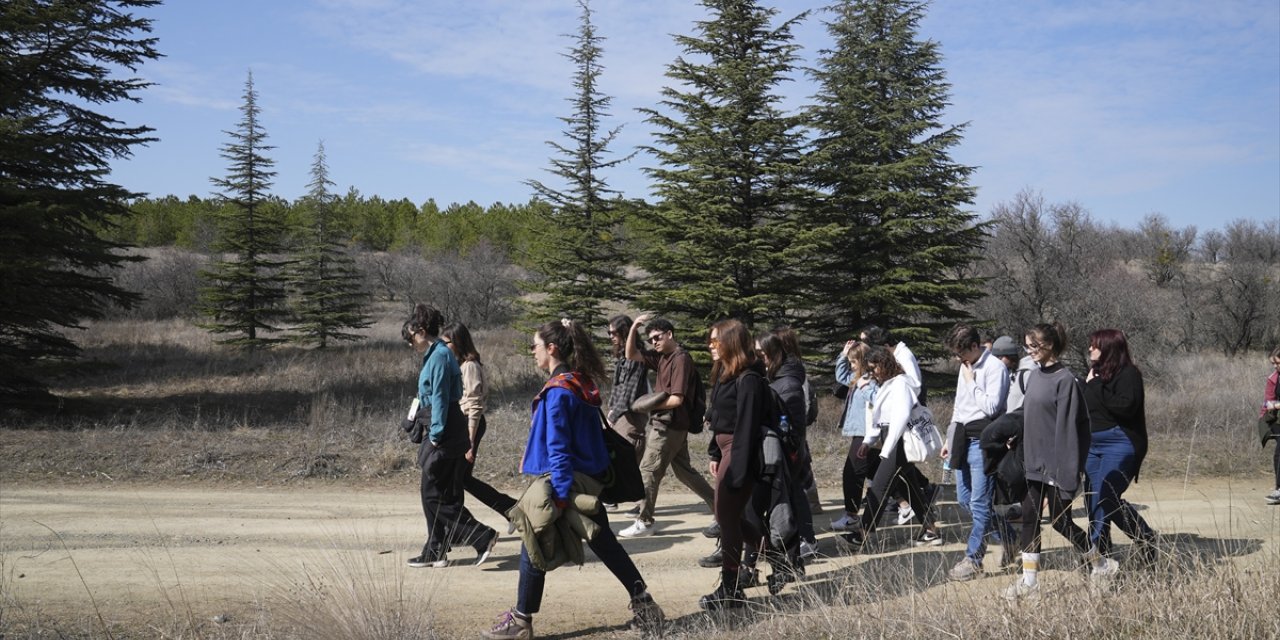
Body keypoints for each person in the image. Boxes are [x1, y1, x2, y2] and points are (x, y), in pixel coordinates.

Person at [482, 319, 664, 639]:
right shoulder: (579, 380)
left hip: (567, 481)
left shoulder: (558, 392)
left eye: (535, 346)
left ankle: (522, 622)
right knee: (604, 541)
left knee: (534, 535)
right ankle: (645, 604)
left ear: (551, 349)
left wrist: (561, 493)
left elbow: (559, 448)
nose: (533, 352)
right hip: (589, 479)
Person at [1002, 322, 1093, 601]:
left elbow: (1069, 428)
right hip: (1034, 461)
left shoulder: (1065, 380)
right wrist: (1017, 436)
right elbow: (1031, 415)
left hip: (1056, 464)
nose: (1029, 351)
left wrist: (1066, 469)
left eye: (1034, 346)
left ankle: (1099, 563)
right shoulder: (1034, 376)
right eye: (1027, 346)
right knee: (1029, 515)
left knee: (1060, 521)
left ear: (1049, 345)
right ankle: (1030, 582)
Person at [402, 305, 498, 569]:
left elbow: (442, 399)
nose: (411, 344)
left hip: (444, 431)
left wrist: (434, 436)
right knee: (434, 492)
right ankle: (436, 550)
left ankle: (482, 536)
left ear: (422, 331)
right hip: (444, 429)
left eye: (411, 338)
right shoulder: (436, 354)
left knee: (434, 495)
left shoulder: (440, 356)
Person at [619, 315, 716, 538]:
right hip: (670, 425)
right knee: (686, 474)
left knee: (647, 471)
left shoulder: (680, 359)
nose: (654, 342)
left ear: (669, 334)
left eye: (658, 337)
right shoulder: (662, 357)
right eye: (651, 339)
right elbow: (630, 354)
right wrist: (634, 327)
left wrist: (649, 404)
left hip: (668, 425)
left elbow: (677, 399)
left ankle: (644, 521)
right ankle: (721, 508)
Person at [699, 319, 768, 610]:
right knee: (727, 517)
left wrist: (737, 469)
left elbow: (747, 427)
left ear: (732, 342)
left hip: (740, 452)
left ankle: (731, 590)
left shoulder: (749, 378)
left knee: (727, 520)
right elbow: (720, 419)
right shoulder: (726, 373)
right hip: (727, 450)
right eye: (710, 341)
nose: (711, 346)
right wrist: (716, 452)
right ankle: (779, 554)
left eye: (716, 341)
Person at [840, 346, 937, 548]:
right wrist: (868, 441)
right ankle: (931, 531)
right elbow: (880, 418)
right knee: (909, 485)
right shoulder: (887, 383)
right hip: (891, 441)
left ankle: (863, 534)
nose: (872, 372)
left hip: (898, 442)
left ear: (885, 365)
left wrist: (886, 449)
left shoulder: (900, 384)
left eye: (875, 368)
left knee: (879, 488)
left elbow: (899, 418)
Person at [941, 324, 1013, 582]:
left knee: (980, 504)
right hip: (962, 438)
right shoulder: (965, 366)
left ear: (975, 346)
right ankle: (1011, 537)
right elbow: (959, 406)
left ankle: (973, 559)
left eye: (962, 354)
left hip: (984, 442)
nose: (960, 360)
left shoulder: (995, 368)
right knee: (964, 500)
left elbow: (993, 407)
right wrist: (950, 437)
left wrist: (972, 383)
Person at [1083, 329, 1158, 565]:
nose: (1090, 349)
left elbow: (1125, 407)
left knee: (1107, 496)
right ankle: (1101, 557)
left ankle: (1145, 538)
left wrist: (1094, 386)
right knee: (1092, 499)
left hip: (1120, 442)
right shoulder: (1094, 374)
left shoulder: (1129, 374)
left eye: (1094, 345)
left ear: (1108, 348)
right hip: (1092, 445)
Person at [442, 322, 517, 521]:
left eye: (446, 343)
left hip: (470, 423)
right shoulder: (462, 365)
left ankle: (463, 529)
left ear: (456, 342)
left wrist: (470, 441)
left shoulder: (469, 367)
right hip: (465, 423)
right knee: (462, 479)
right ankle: (511, 509)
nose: (443, 347)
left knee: (456, 480)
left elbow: (474, 404)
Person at [831, 340, 878, 532]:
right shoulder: (855, 377)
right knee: (874, 472)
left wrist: (864, 386)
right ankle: (907, 503)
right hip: (860, 433)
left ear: (864, 361)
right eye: (850, 362)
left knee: (852, 474)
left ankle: (851, 516)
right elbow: (841, 375)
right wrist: (843, 355)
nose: (851, 366)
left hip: (865, 433)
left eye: (854, 361)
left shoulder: (870, 380)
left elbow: (877, 399)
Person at [604, 314, 651, 465]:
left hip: (630, 418)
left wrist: (612, 416)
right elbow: (620, 389)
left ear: (624, 331)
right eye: (609, 333)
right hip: (621, 416)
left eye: (614, 332)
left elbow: (629, 393)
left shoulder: (635, 359)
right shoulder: (624, 358)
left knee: (626, 468)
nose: (611, 336)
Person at [991, 335, 1034, 412]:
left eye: (1000, 358)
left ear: (1010, 356)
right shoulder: (1005, 372)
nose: (997, 361)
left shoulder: (1026, 373)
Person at [1263, 346, 1280, 505]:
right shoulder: (1275, 378)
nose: (1275, 366)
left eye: (1277, 363)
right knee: (1278, 455)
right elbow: (1269, 399)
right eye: (1273, 363)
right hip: (1278, 422)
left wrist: (1275, 406)